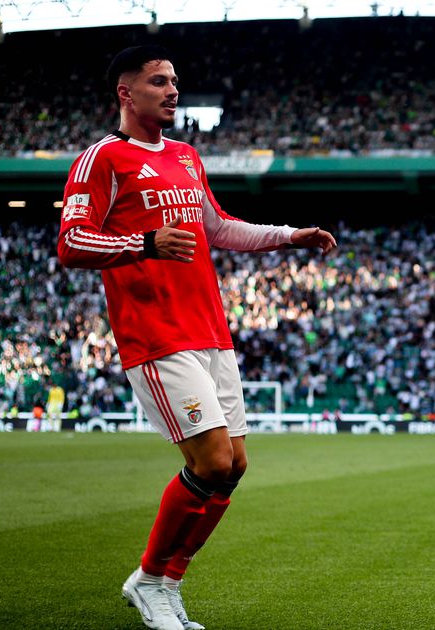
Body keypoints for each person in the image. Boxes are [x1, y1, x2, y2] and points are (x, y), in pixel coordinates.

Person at [57, 45, 336, 630]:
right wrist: (143, 244)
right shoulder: (102, 159)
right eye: (159, 81)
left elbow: (218, 227)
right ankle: (152, 580)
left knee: (233, 464)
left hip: (211, 331)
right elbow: (71, 244)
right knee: (209, 462)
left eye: (175, 81)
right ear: (125, 93)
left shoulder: (185, 156)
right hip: (157, 336)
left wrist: (290, 235)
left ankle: (162, 581)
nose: (173, 90)